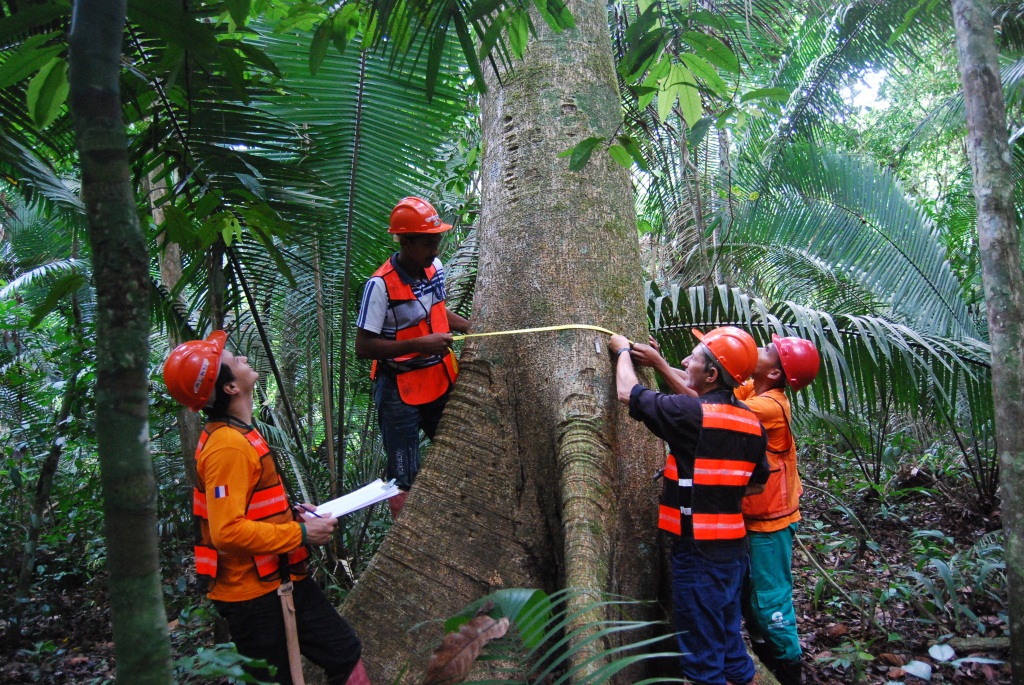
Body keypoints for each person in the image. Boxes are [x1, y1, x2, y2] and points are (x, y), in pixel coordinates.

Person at [163, 331, 368, 685]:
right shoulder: (227, 446)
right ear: (229, 388)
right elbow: (226, 531)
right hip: (253, 598)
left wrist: (292, 515)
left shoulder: (241, 431)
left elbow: (250, 505)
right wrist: (301, 533)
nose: (242, 358)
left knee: (345, 652)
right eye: (233, 360)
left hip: (282, 581)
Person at [610, 327, 770, 685]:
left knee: (702, 663)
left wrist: (621, 350)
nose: (685, 361)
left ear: (711, 375)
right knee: (731, 646)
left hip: (698, 555)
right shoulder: (751, 422)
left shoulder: (691, 414)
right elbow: (758, 482)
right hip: (734, 555)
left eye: (694, 358)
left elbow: (627, 392)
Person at [355, 197, 470, 517]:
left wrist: (470, 327)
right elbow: (364, 347)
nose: (436, 250)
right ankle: (406, 532)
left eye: (438, 242)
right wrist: (421, 344)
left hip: (439, 377)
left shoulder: (436, 268)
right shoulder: (380, 286)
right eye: (428, 243)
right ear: (405, 242)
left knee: (457, 449)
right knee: (403, 474)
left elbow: (438, 311)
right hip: (398, 390)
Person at [733, 335, 820, 685]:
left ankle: (789, 670)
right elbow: (702, 389)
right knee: (749, 596)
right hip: (751, 520)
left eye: (768, 351)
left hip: (770, 526)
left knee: (771, 600)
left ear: (777, 371)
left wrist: (661, 367)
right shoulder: (752, 388)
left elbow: (707, 407)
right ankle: (769, 656)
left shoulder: (770, 406)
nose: (760, 351)